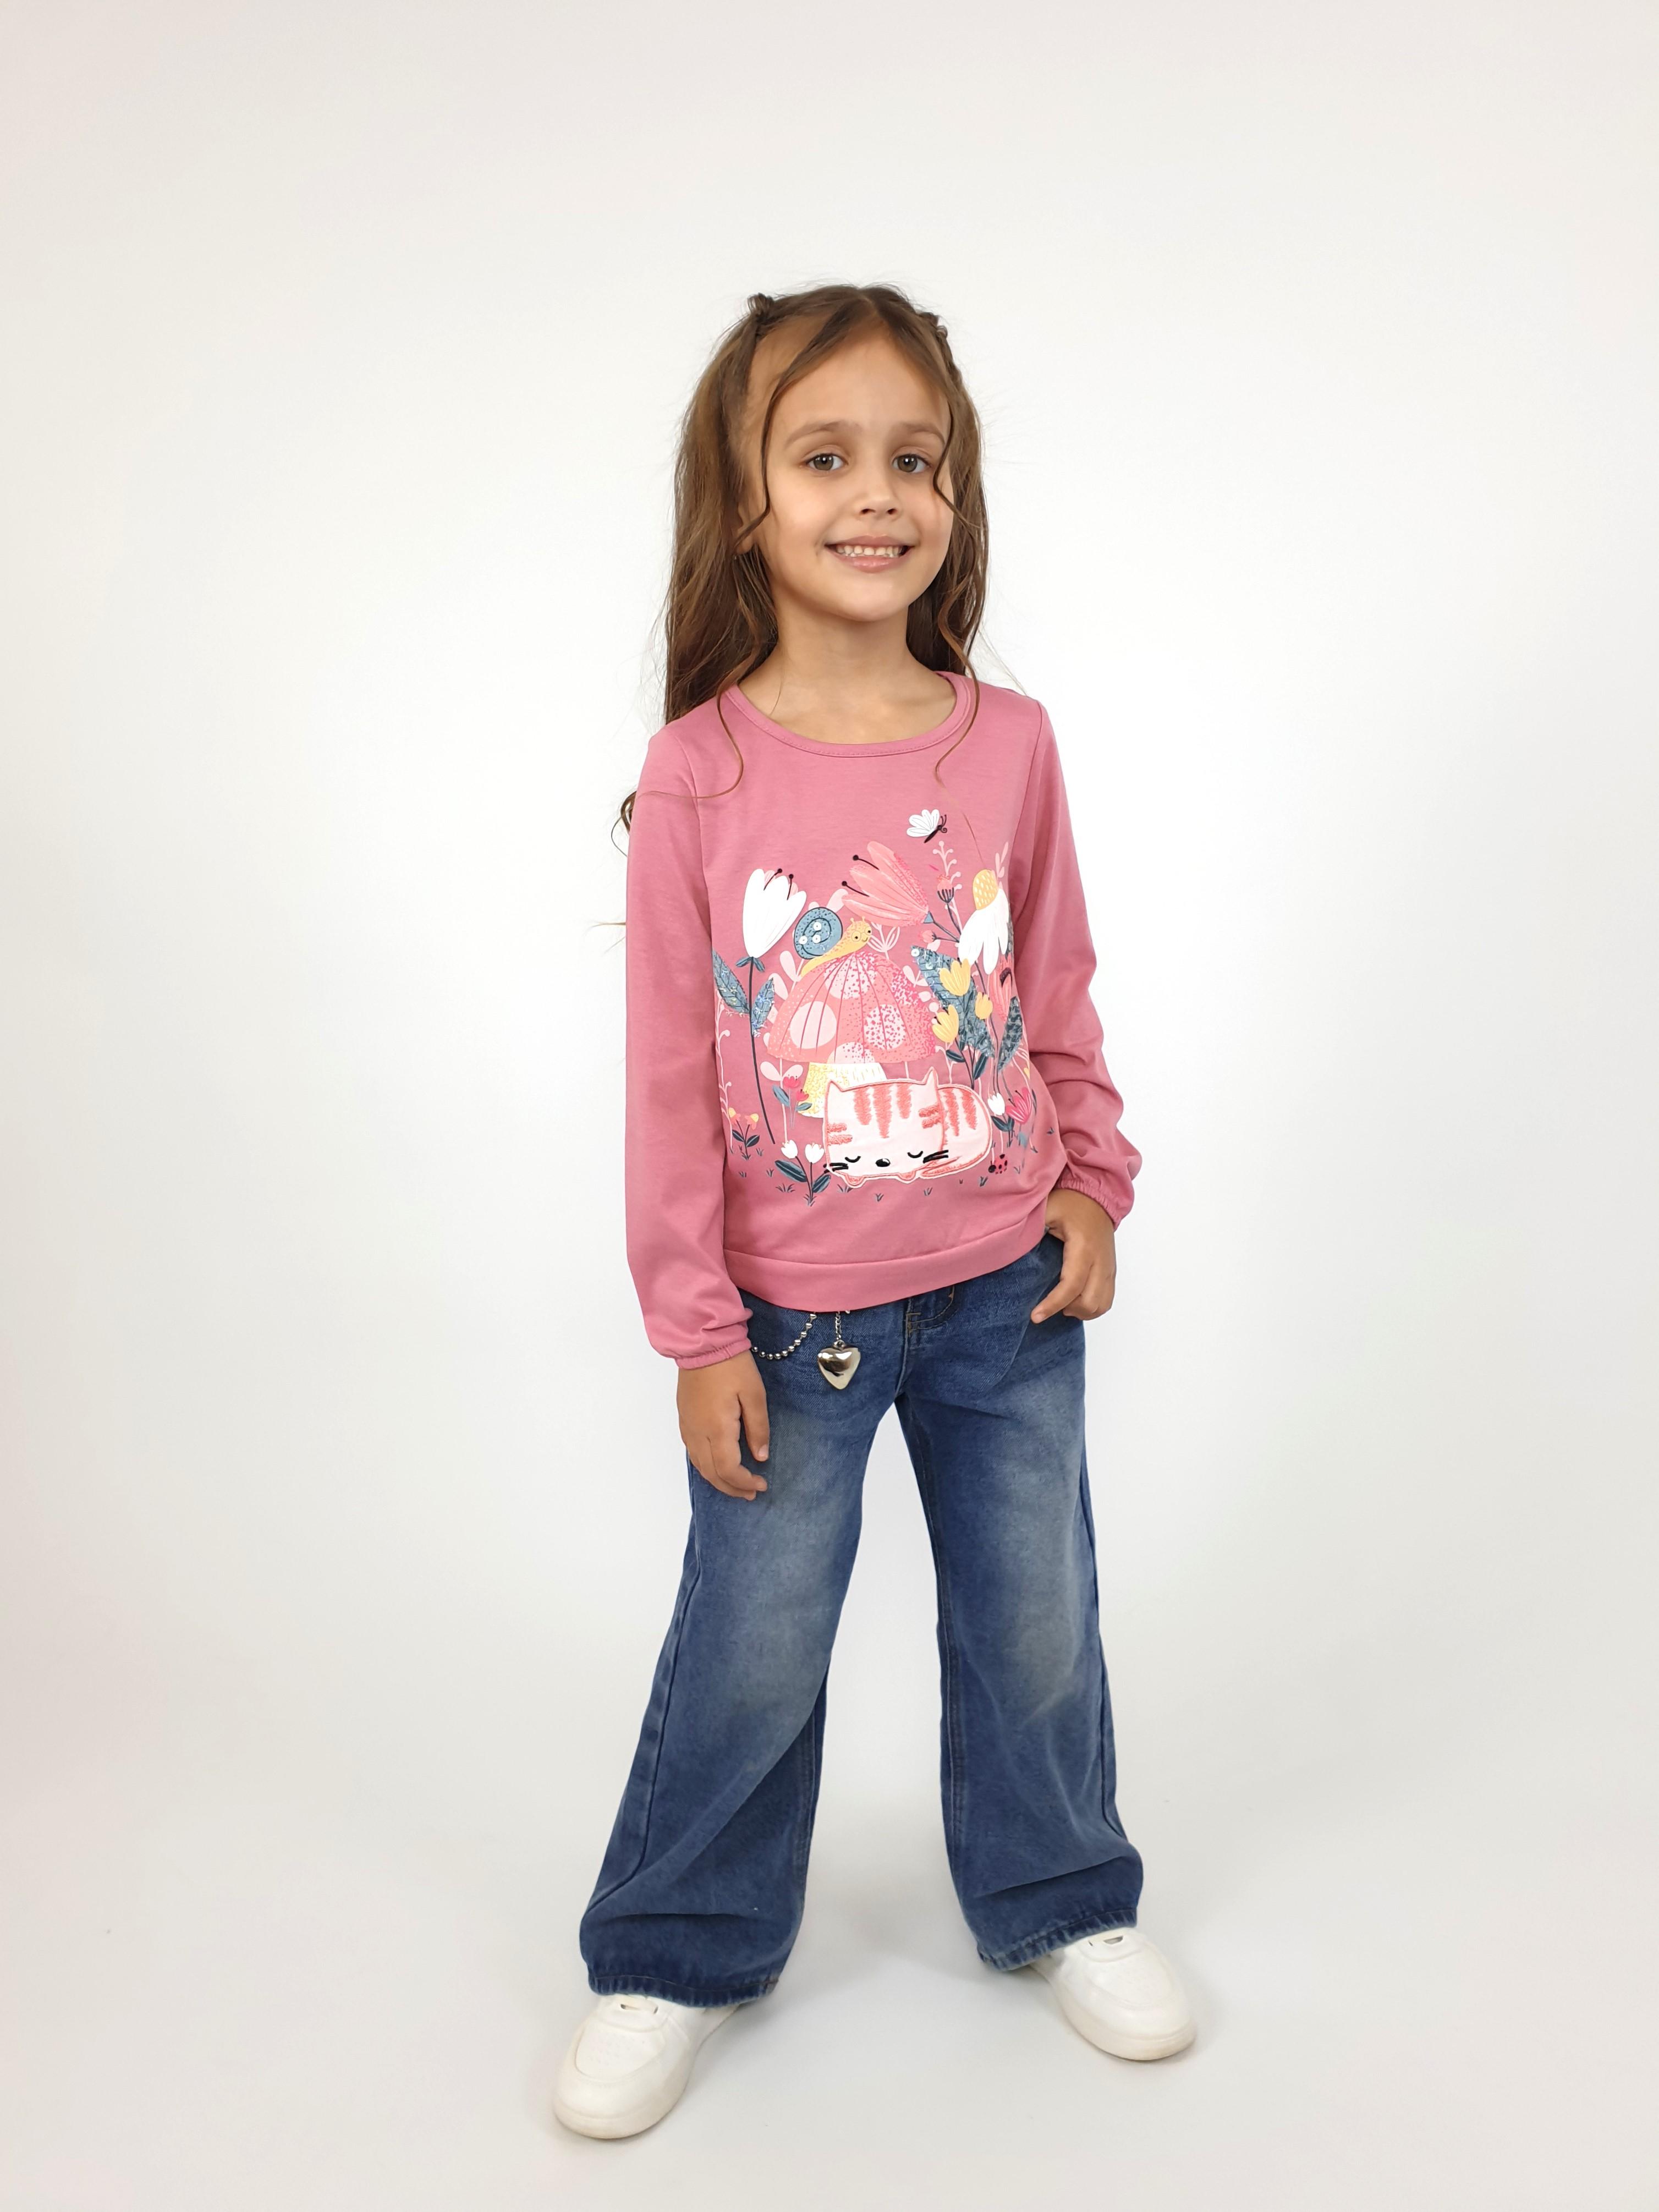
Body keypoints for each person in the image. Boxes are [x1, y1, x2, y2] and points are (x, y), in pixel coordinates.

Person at [554, 283, 1195, 2140]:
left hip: (1008, 1296)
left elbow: (1056, 986)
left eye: (915, 459)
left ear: (955, 493)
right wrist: (695, 1326)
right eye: (826, 456)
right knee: (752, 1646)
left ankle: (1062, 1895)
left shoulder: (1010, 742)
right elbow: (667, 1075)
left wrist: (1093, 1179)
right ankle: (676, 1947)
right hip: (790, 1325)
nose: (878, 495)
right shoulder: (701, 772)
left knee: (1036, 1622)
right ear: (745, 499)